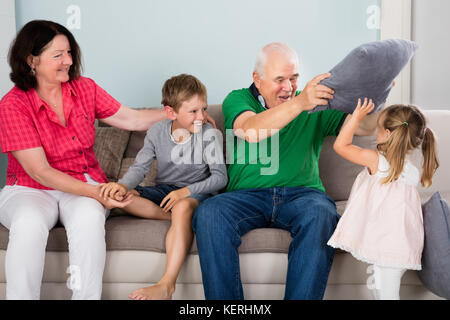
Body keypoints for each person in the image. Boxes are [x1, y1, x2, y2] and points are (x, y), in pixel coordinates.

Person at [0, 20, 215, 300]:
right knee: (28, 223)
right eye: (57, 55)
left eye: (69, 53)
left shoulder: (84, 89)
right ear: (32, 60)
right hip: (31, 188)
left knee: (89, 217)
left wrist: (180, 114)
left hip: (81, 183)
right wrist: (98, 192)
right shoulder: (13, 105)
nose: (68, 61)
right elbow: (39, 171)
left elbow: (132, 119)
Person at [192, 42, 380, 300]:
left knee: (322, 214)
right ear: (257, 79)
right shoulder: (238, 99)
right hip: (246, 196)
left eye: (294, 78)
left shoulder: (314, 104)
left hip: (303, 195)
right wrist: (300, 103)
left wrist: (376, 98)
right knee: (209, 212)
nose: (289, 87)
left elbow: (365, 127)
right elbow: (250, 130)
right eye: (280, 79)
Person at [98, 74, 227, 300]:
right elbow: (139, 168)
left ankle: (166, 285)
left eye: (203, 109)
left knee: (182, 206)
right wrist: (121, 185)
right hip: (165, 189)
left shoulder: (209, 134)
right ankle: (178, 220)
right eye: (193, 111)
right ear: (171, 112)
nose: (201, 117)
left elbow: (219, 178)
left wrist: (184, 192)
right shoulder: (157, 131)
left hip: (198, 191)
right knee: (123, 197)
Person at [328, 100, 439, 300]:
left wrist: (355, 119)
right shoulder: (411, 170)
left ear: (387, 134)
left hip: (387, 246)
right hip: (402, 245)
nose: (374, 133)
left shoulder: (376, 161)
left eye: (378, 129)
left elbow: (341, 145)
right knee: (383, 293)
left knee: (387, 296)